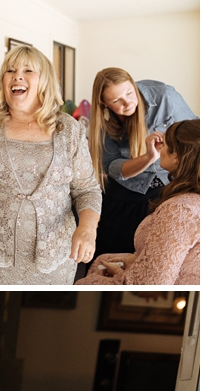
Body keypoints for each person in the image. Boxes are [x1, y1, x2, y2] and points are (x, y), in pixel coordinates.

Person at [0, 44, 101, 285]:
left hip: (53, 262)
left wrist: (88, 229)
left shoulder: (69, 130)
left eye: (28, 70)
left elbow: (87, 189)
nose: (17, 75)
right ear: (3, 81)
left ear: (45, 81)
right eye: (10, 71)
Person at [88, 69, 197, 257]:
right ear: (103, 103)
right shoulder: (102, 122)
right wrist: (148, 157)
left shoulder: (165, 96)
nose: (127, 102)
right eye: (116, 101)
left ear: (133, 84)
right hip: (124, 199)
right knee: (111, 258)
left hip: (167, 190)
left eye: (130, 93)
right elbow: (114, 168)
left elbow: (194, 133)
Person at [78, 119, 199, 285]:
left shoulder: (179, 210)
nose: (161, 146)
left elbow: (153, 283)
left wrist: (120, 274)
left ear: (177, 156)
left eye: (166, 143)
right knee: (102, 259)